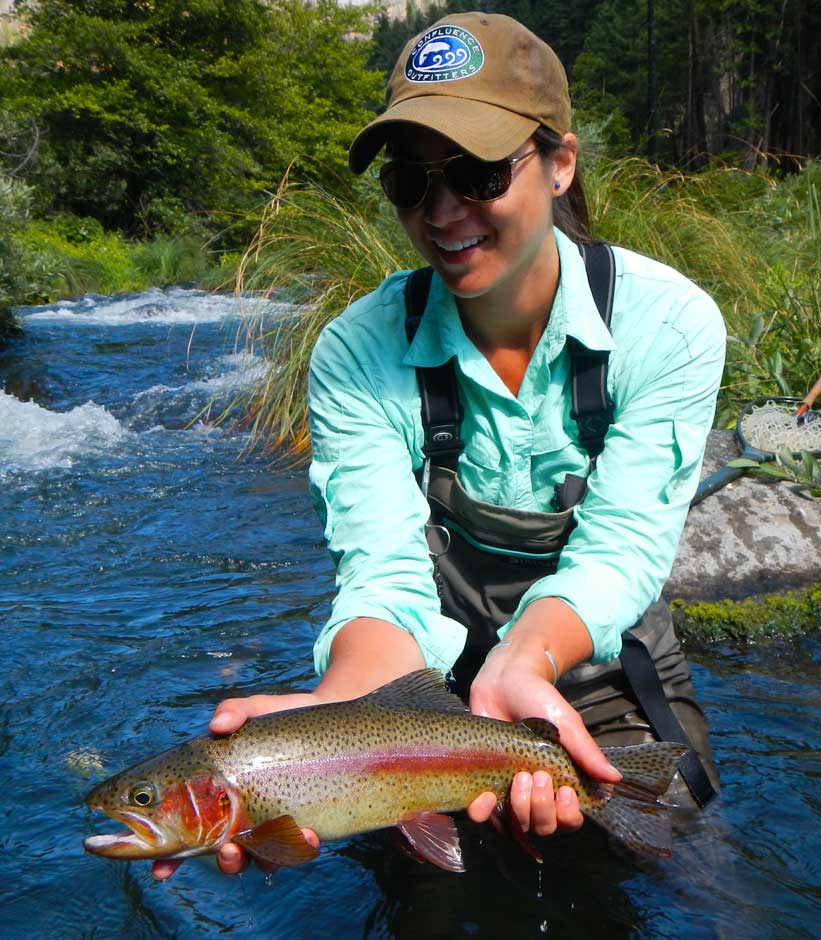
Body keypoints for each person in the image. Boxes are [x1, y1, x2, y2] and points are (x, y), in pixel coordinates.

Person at [153, 11, 725, 882]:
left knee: (689, 877)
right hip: (423, 697)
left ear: (561, 163)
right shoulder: (356, 350)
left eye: (477, 172)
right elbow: (382, 575)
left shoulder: (668, 323)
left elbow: (621, 553)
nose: (443, 211)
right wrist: (335, 719)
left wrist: (522, 665)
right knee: (422, 903)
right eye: (411, 183)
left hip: (601, 671)